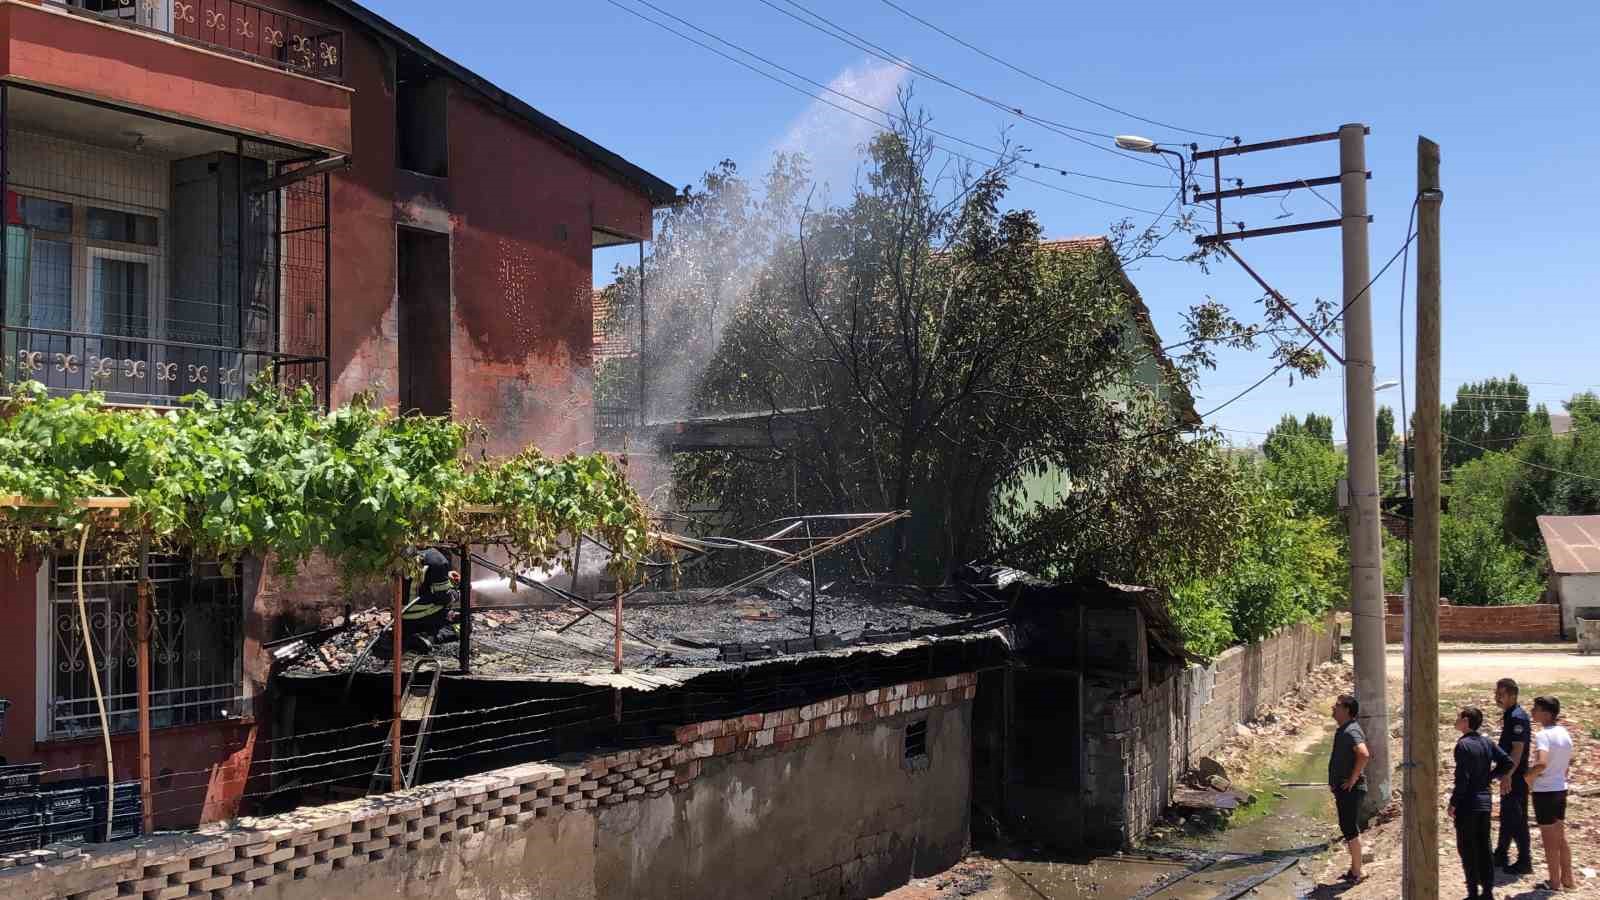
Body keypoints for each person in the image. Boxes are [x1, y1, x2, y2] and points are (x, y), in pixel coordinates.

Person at [1450, 706, 1513, 900]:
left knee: (1467, 849)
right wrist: (1489, 777)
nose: (1456, 720)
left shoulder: (1463, 745)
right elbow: (1507, 762)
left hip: (1467, 804)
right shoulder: (1486, 742)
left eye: (1459, 717)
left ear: (1466, 721)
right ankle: (1487, 892)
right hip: (1485, 803)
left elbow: (1462, 778)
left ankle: (1472, 893)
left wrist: (1453, 803)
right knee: (1484, 848)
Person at [1525, 695, 1575, 893]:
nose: (1532, 712)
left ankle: (1554, 883)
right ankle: (1568, 880)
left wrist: (1526, 778)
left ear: (1546, 713)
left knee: (1549, 841)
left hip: (1545, 791)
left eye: (1535, 709)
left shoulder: (1543, 735)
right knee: (1560, 837)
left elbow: (1541, 763)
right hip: (1560, 789)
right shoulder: (1565, 733)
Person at [1328, 693, 1371, 883]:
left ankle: (1358, 872)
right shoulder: (1345, 729)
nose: (1333, 708)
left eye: (1337, 705)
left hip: (1351, 790)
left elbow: (1364, 754)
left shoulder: (1351, 730)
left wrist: (1352, 779)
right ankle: (1354, 869)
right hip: (1345, 789)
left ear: (1346, 710)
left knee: (1350, 830)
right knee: (1348, 828)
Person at [1493, 677, 1533, 875]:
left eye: (1501, 695)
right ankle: (1500, 854)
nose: (1497, 698)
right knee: (1508, 816)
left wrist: (1508, 774)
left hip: (1515, 777)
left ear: (1513, 695)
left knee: (1517, 819)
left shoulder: (1517, 717)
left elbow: (1517, 750)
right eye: (1496, 694)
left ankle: (1525, 860)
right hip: (1510, 775)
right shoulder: (1510, 715)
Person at [401, 547, 460, 652]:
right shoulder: (436, 558)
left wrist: (446, 575)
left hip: (402, 620)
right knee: (464, 625)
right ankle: (429, 638)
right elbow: (444, 599)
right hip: (425, 619)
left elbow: (422, 579)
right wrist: (457, 593)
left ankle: (408, 636)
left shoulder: (403, 552)